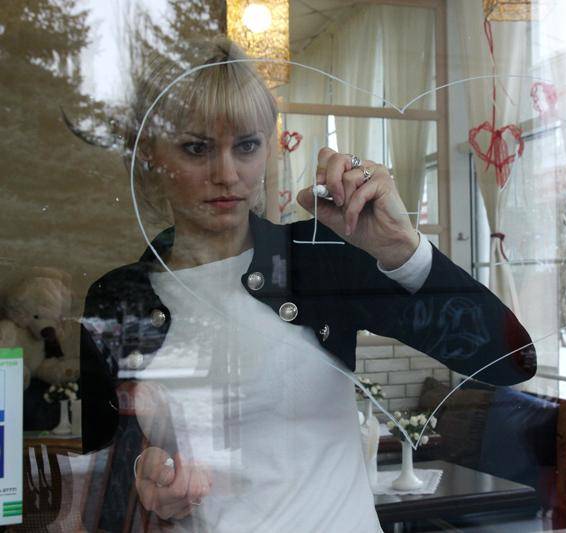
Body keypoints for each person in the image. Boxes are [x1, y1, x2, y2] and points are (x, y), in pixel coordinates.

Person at [79, 36, 536, 532]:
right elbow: (104, 481)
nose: (226, 173)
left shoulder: (318, 259)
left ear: (268, 148)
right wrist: (147, 483)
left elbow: (509, 361)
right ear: (152, 156)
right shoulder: (118, 298)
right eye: (196, 148)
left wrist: (403, 249)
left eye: (246, 146)